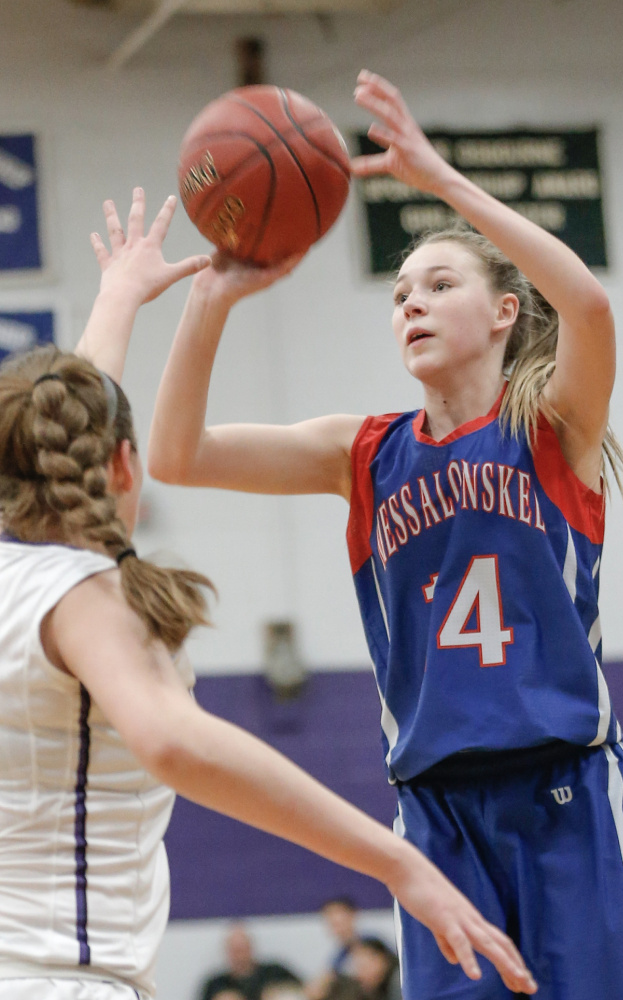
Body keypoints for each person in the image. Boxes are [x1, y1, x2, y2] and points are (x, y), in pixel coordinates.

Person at [147, 70, 623, 1000]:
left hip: (568, 798)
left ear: (504, 311)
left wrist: (447, 185)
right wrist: (213, 297)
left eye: (438, 283)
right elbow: (176, 456)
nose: (410, 303)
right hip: (435, 817)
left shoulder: (553, 430)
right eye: (397, 293)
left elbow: (585, 305)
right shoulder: (364, 452)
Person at [0, 188, 537, 1000]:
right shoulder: (82, 596)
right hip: (57, 978)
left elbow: (65, 425)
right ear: (121, 467)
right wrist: (395, 862)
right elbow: (174, 743)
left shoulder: (21, 576)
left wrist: (119, 295)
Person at [198, 922, 300, 1000]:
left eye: (243, 949)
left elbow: (305, 991)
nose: (240, 956)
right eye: (235, 951)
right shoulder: (215, 984)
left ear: (251, 948)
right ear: (227, 952)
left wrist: (280, 991)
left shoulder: (276, 973)